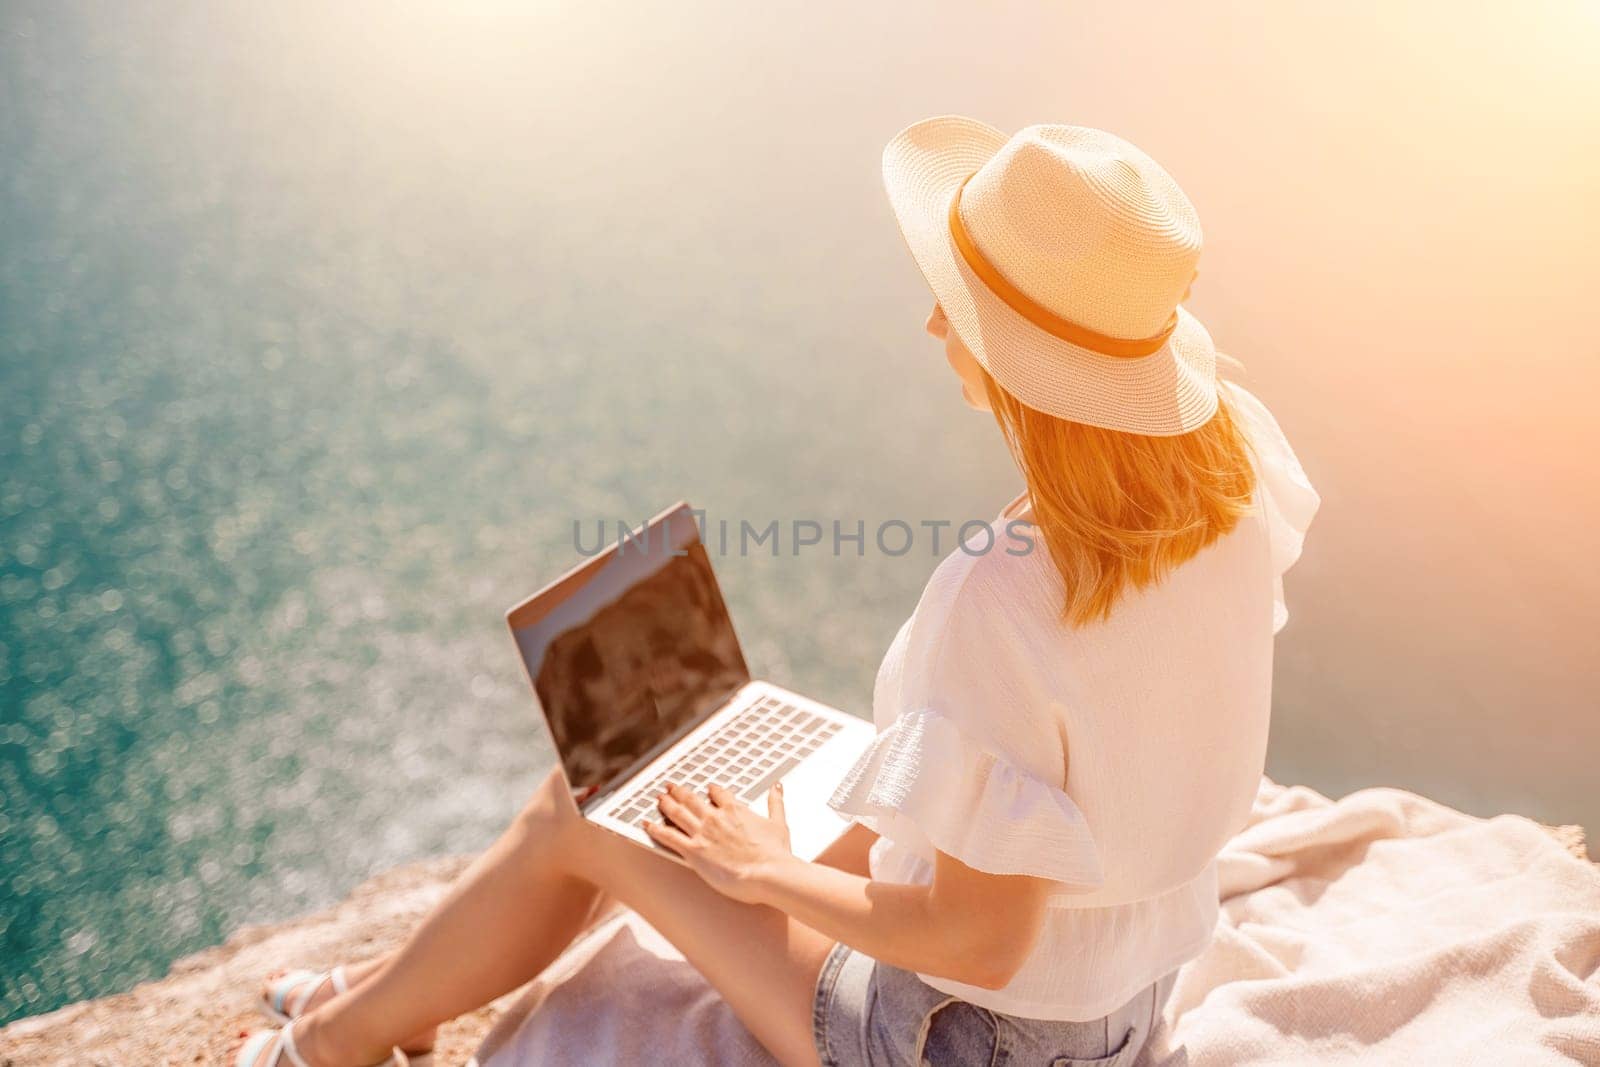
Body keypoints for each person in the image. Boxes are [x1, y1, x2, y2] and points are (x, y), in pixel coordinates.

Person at [232, 116, 1319, 1067]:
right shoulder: (1231, 475)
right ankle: (383, 987)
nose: (934, 327)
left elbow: (981, 940)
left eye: (961, 307)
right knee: (699, 780)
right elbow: (1083, 747)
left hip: (961, 1040)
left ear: (1020, 361)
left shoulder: (1001, 599)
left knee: (591, 804)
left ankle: (329, 1042)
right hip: (1119, 995)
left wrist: (764, 872)